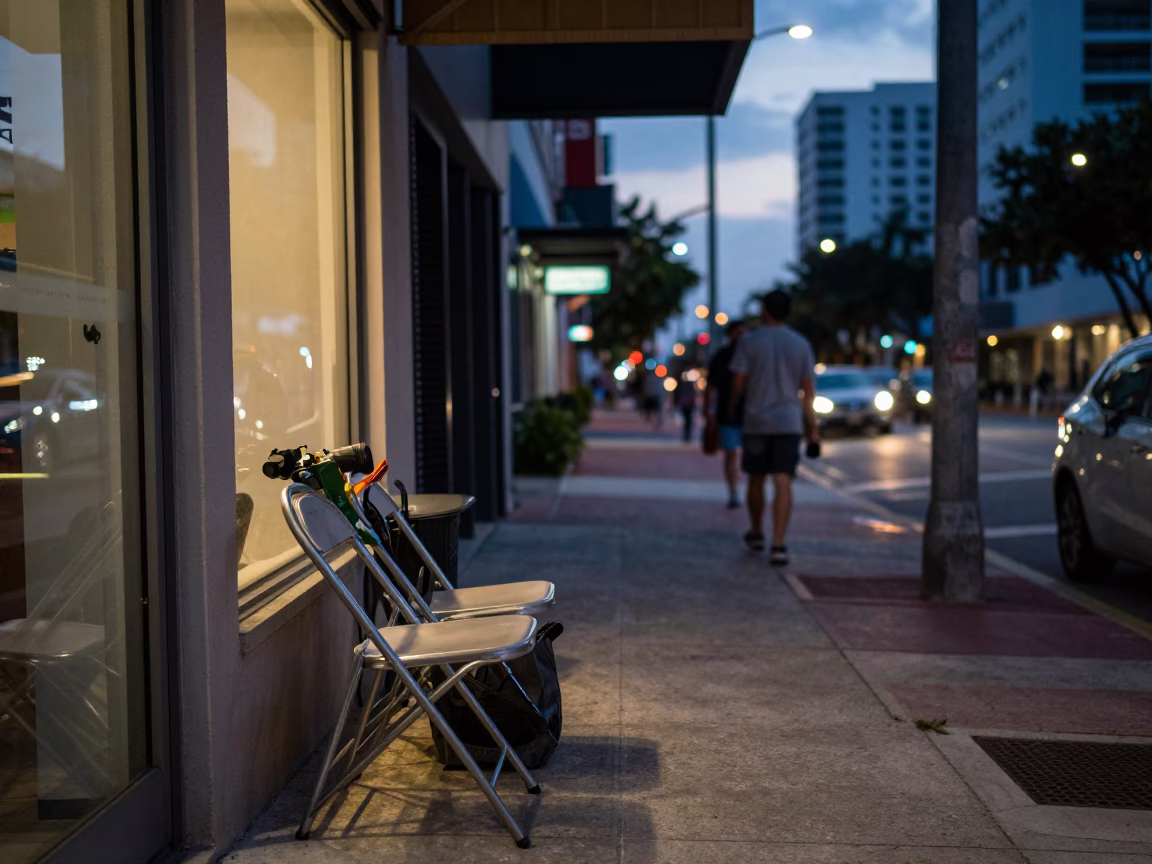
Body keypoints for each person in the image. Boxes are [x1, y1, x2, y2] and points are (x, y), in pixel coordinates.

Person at [729, 290, 818, 567]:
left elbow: (738, 383)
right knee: (783, 481)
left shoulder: (750, 342)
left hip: (756, 420)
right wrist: (811, 428)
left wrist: (733, 409)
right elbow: (808, 391)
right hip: (788, 422)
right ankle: (778, 544)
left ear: (765, 311)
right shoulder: (801, 344)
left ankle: (757, 531)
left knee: (756, 479)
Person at [706, 320, 748, 508]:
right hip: (728, 414)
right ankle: (733, 492)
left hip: (752, 414)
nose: (741, 337)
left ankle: (750, 491)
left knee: (752, 456)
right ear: (730, 334)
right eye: (738, 332)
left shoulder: (754, 355)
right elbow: (711, 387)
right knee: (730, 455)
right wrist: (709, 411)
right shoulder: (722, 356)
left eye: (744, 333)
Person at [675, 373, 697, 443]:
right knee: (688, 419)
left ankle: (687, 434)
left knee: (688, 419)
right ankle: (687, 434)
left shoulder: (683, 385)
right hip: (686, 403)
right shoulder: (684, 385)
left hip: (687, 403)